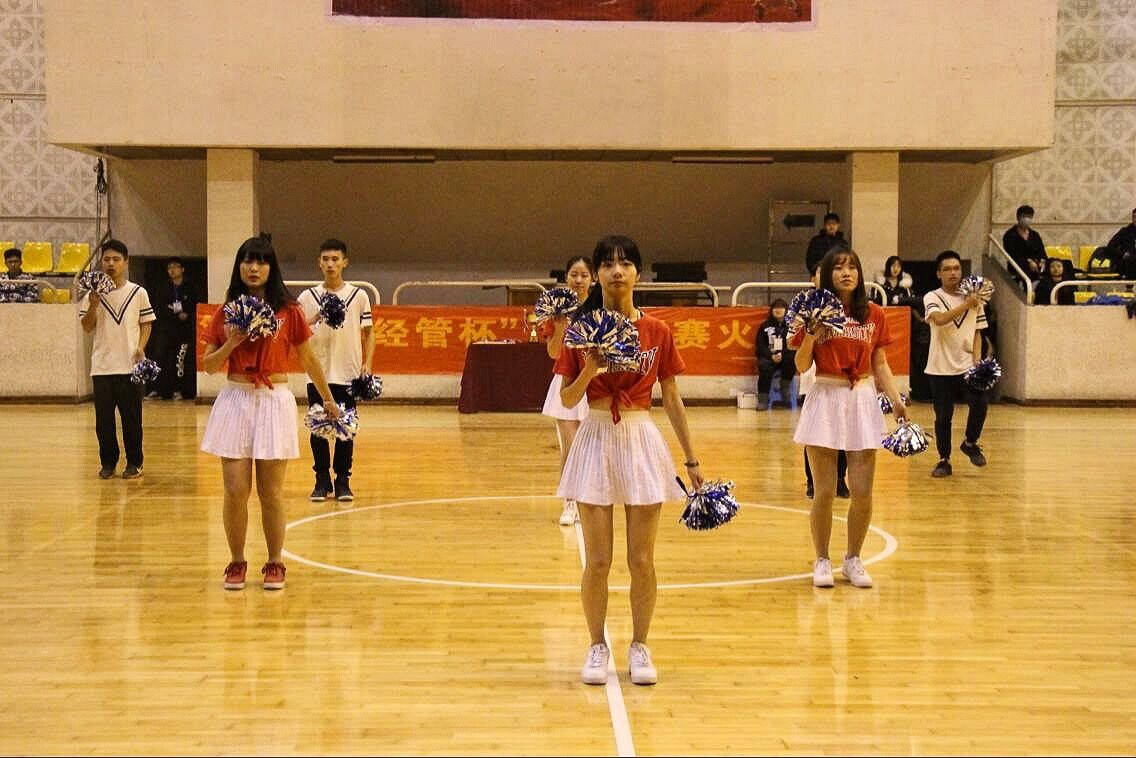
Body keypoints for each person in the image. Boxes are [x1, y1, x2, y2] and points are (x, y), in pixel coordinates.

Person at [556, 235, 704, 686]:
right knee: (598, 561)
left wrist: (692, 460)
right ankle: (596, 645)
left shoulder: (657, 331)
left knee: (641, 560)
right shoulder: (579, 331)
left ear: (638, 273)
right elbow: (568, 399)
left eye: (625, 263)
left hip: (641, 437)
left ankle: (640, 644)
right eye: (607, 264)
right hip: (595, 436)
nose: (616, 271)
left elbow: (672, 397)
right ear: (597, 274)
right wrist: (590, 367)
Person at [200, 235, 341, 592]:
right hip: (236, 399)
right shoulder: (226, 311)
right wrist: (232, 342)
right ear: (239, 266)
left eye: (261, 261)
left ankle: (275, 561)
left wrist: (328, 399)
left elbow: (308, 358)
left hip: (274, 399)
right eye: (247, 261)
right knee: (235, 489)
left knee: (271, 492)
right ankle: (236, 561)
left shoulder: (289, 311)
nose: (253, 268)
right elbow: (209, 366)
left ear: (271, 267)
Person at [790, 248, 907, 590]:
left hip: (862, 398)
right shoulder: (814, 312)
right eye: (839, 267)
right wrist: (812, 333)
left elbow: (880, 362)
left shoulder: (873, 313)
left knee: (863, 491)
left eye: (852, 266)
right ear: (827, 274)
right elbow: (801, 365)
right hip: (826, 395)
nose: (846, 272)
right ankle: (822, 559)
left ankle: (853, 558)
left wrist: (896, 400)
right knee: (824, 491)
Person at [296, 239, 375, 503]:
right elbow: (297, 333)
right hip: (318, 373)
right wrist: (316, 317)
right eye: (326, 259)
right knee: (318, 428)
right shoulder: (307, 297)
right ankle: (321, 480)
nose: (330, 264)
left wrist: (368, 363)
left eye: (335, 259)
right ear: (319, 263)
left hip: (348, 372)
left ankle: (343, 480)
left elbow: (370, 333)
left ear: (344, 262)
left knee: (345, 428)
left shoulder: (359, 295)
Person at [78, 239, 156, 479]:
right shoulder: (92, 294)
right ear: (101, 262)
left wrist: (140, 347)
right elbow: (87, 326)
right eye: (106, 259)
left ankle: (135, 462)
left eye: (116, 259)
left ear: (126, 262)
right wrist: (93, 305)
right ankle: (108, 463)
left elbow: (146, 323)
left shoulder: (138, 292)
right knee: (103, 421)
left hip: (129, 367)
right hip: (102, 367)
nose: (111, 264)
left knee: (132, 419)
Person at [923, 250, 989, 479]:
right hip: (939, 367)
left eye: (957, 268)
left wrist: (977, 362)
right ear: (938, 274)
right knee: (943, 416)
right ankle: (944, 459)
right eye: (947, 269)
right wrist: (967, 304)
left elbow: (978, 332)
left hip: (967, 365)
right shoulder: (932, 296)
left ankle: (970, 443)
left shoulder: (974, 297)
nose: (953, 273)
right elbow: (939, 319)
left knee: (980, 403)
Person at [541, 255, 596, 526]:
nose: (579, 280)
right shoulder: (557, 311)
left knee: (594, 449)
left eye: (584, 275)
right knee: (571, 448)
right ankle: (570, 502)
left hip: (595, 383)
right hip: (566, 383)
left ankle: (593, 500)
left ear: (593, 279)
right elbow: (553, 353)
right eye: (574, 274)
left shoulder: (601, 308)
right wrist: (561, 328)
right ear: (566, 278)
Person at [151, 257, 199, 399]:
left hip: (184, 331)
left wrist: (187, 314)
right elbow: (160, 307)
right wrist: (175, 314)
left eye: (175, 266)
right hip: (167, 329)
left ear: (182, 269)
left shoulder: (190, 287)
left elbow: (195, 305)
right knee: (162, 358)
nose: (172, 270)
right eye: (169, 267)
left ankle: (180, 390)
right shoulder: (163, 288)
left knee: (180, 360)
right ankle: (159, 390)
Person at [754, 298, 795, 410]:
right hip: (769, 357)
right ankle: (763, 400)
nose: (778, 310)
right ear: (771, 310)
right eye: (775, 307)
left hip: (785, 356)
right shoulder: (764, 326)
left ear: (786, 310)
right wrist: (771, 356)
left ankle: (785, 386)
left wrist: (782, 354)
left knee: (792, 358)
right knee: (764, 366)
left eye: (781, 307)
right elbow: (760, 346)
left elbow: (794, 344)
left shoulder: (792, 326)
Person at [1002, 205, 1047, 283]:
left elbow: (1041, 251)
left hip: (1036, 268)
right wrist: (1028, 262)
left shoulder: (1035, 235)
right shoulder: (1010, 235)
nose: (1027, 219)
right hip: (1018, 269)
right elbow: (1012, 254)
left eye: (1029, 217)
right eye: (1024, 216)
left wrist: (1041, 261)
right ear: (1018, 218)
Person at [805, 212, 848, 276]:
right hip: (820, 274)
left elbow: (846, 260)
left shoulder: (843, 242)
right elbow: (810, 260)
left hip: (838, 274)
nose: (831, 226)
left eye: (834, 224)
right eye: (829, 224)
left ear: (838, 225)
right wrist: (816, 271)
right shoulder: (816, 241)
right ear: (824, 225)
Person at [1106, 207, 1136, 280]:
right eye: (1134, 217)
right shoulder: (1125, 231)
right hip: (1128, 264)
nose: (1135, 219)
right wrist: (1123, 254)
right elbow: (1110, 247)